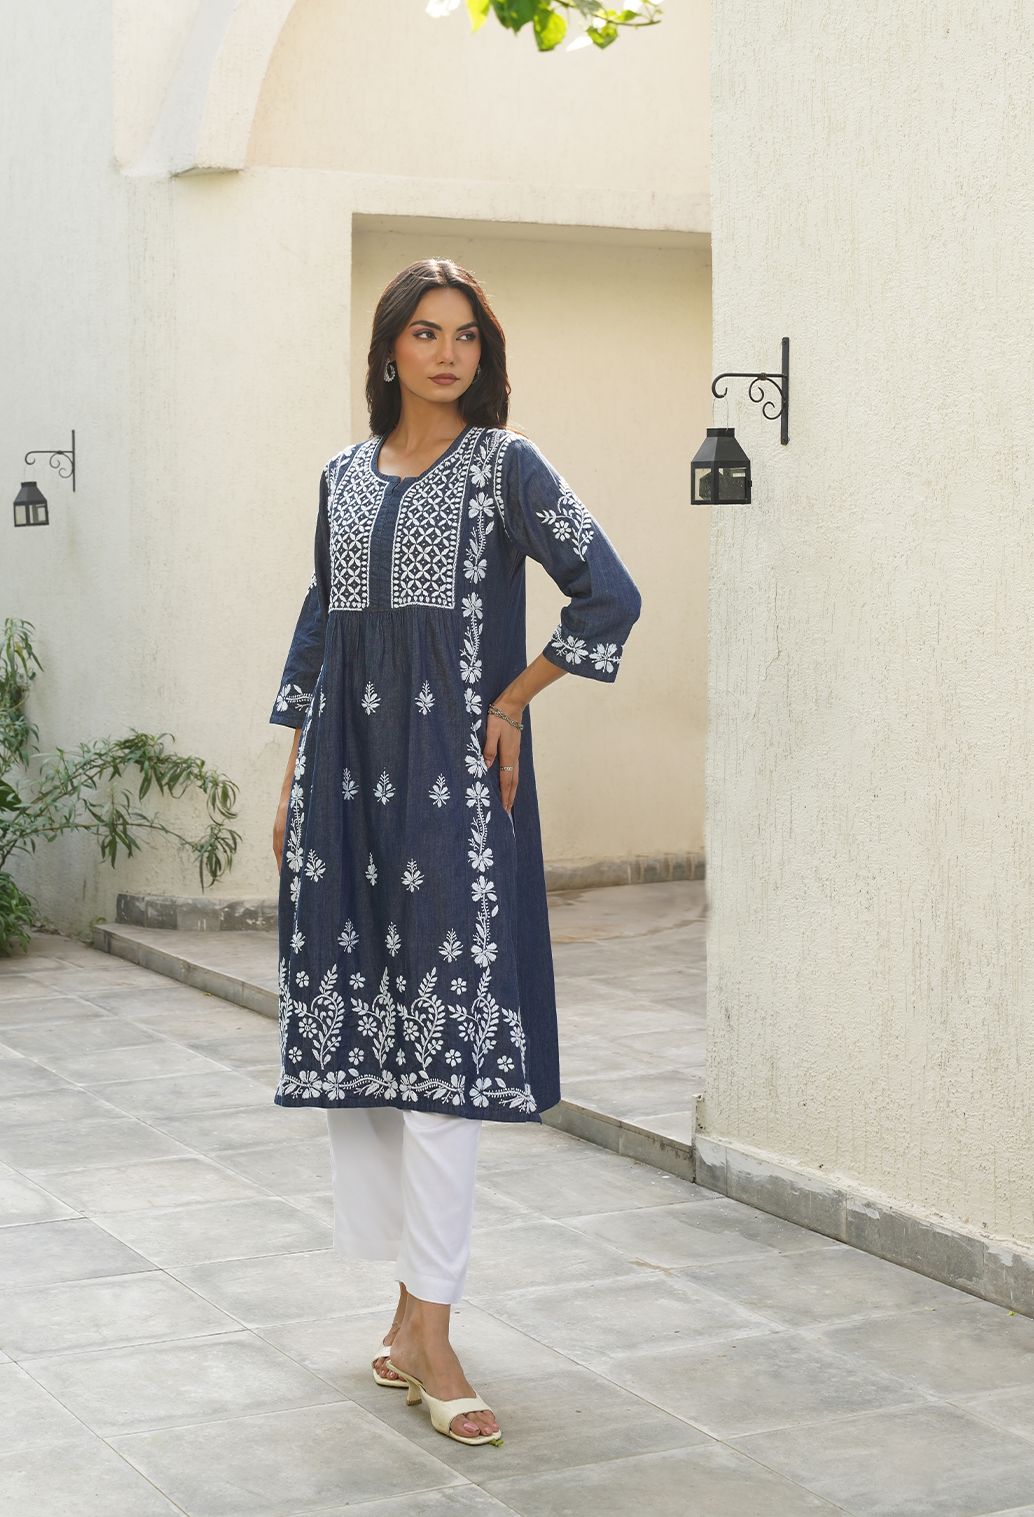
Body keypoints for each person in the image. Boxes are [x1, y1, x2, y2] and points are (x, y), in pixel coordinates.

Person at [270, 259, 641, 1444]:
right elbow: (322, 621)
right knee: (373, 1059)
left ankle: (434, 1330)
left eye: (467, 336)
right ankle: (403, 1318)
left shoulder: (504, 467)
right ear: (389, 349)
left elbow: (609, 592)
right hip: (343, 796)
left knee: (444, 1057)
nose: (447, 354)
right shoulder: (341, 476)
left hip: (453, 800)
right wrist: (290, 775)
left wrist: (515, 696)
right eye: (426, 334)